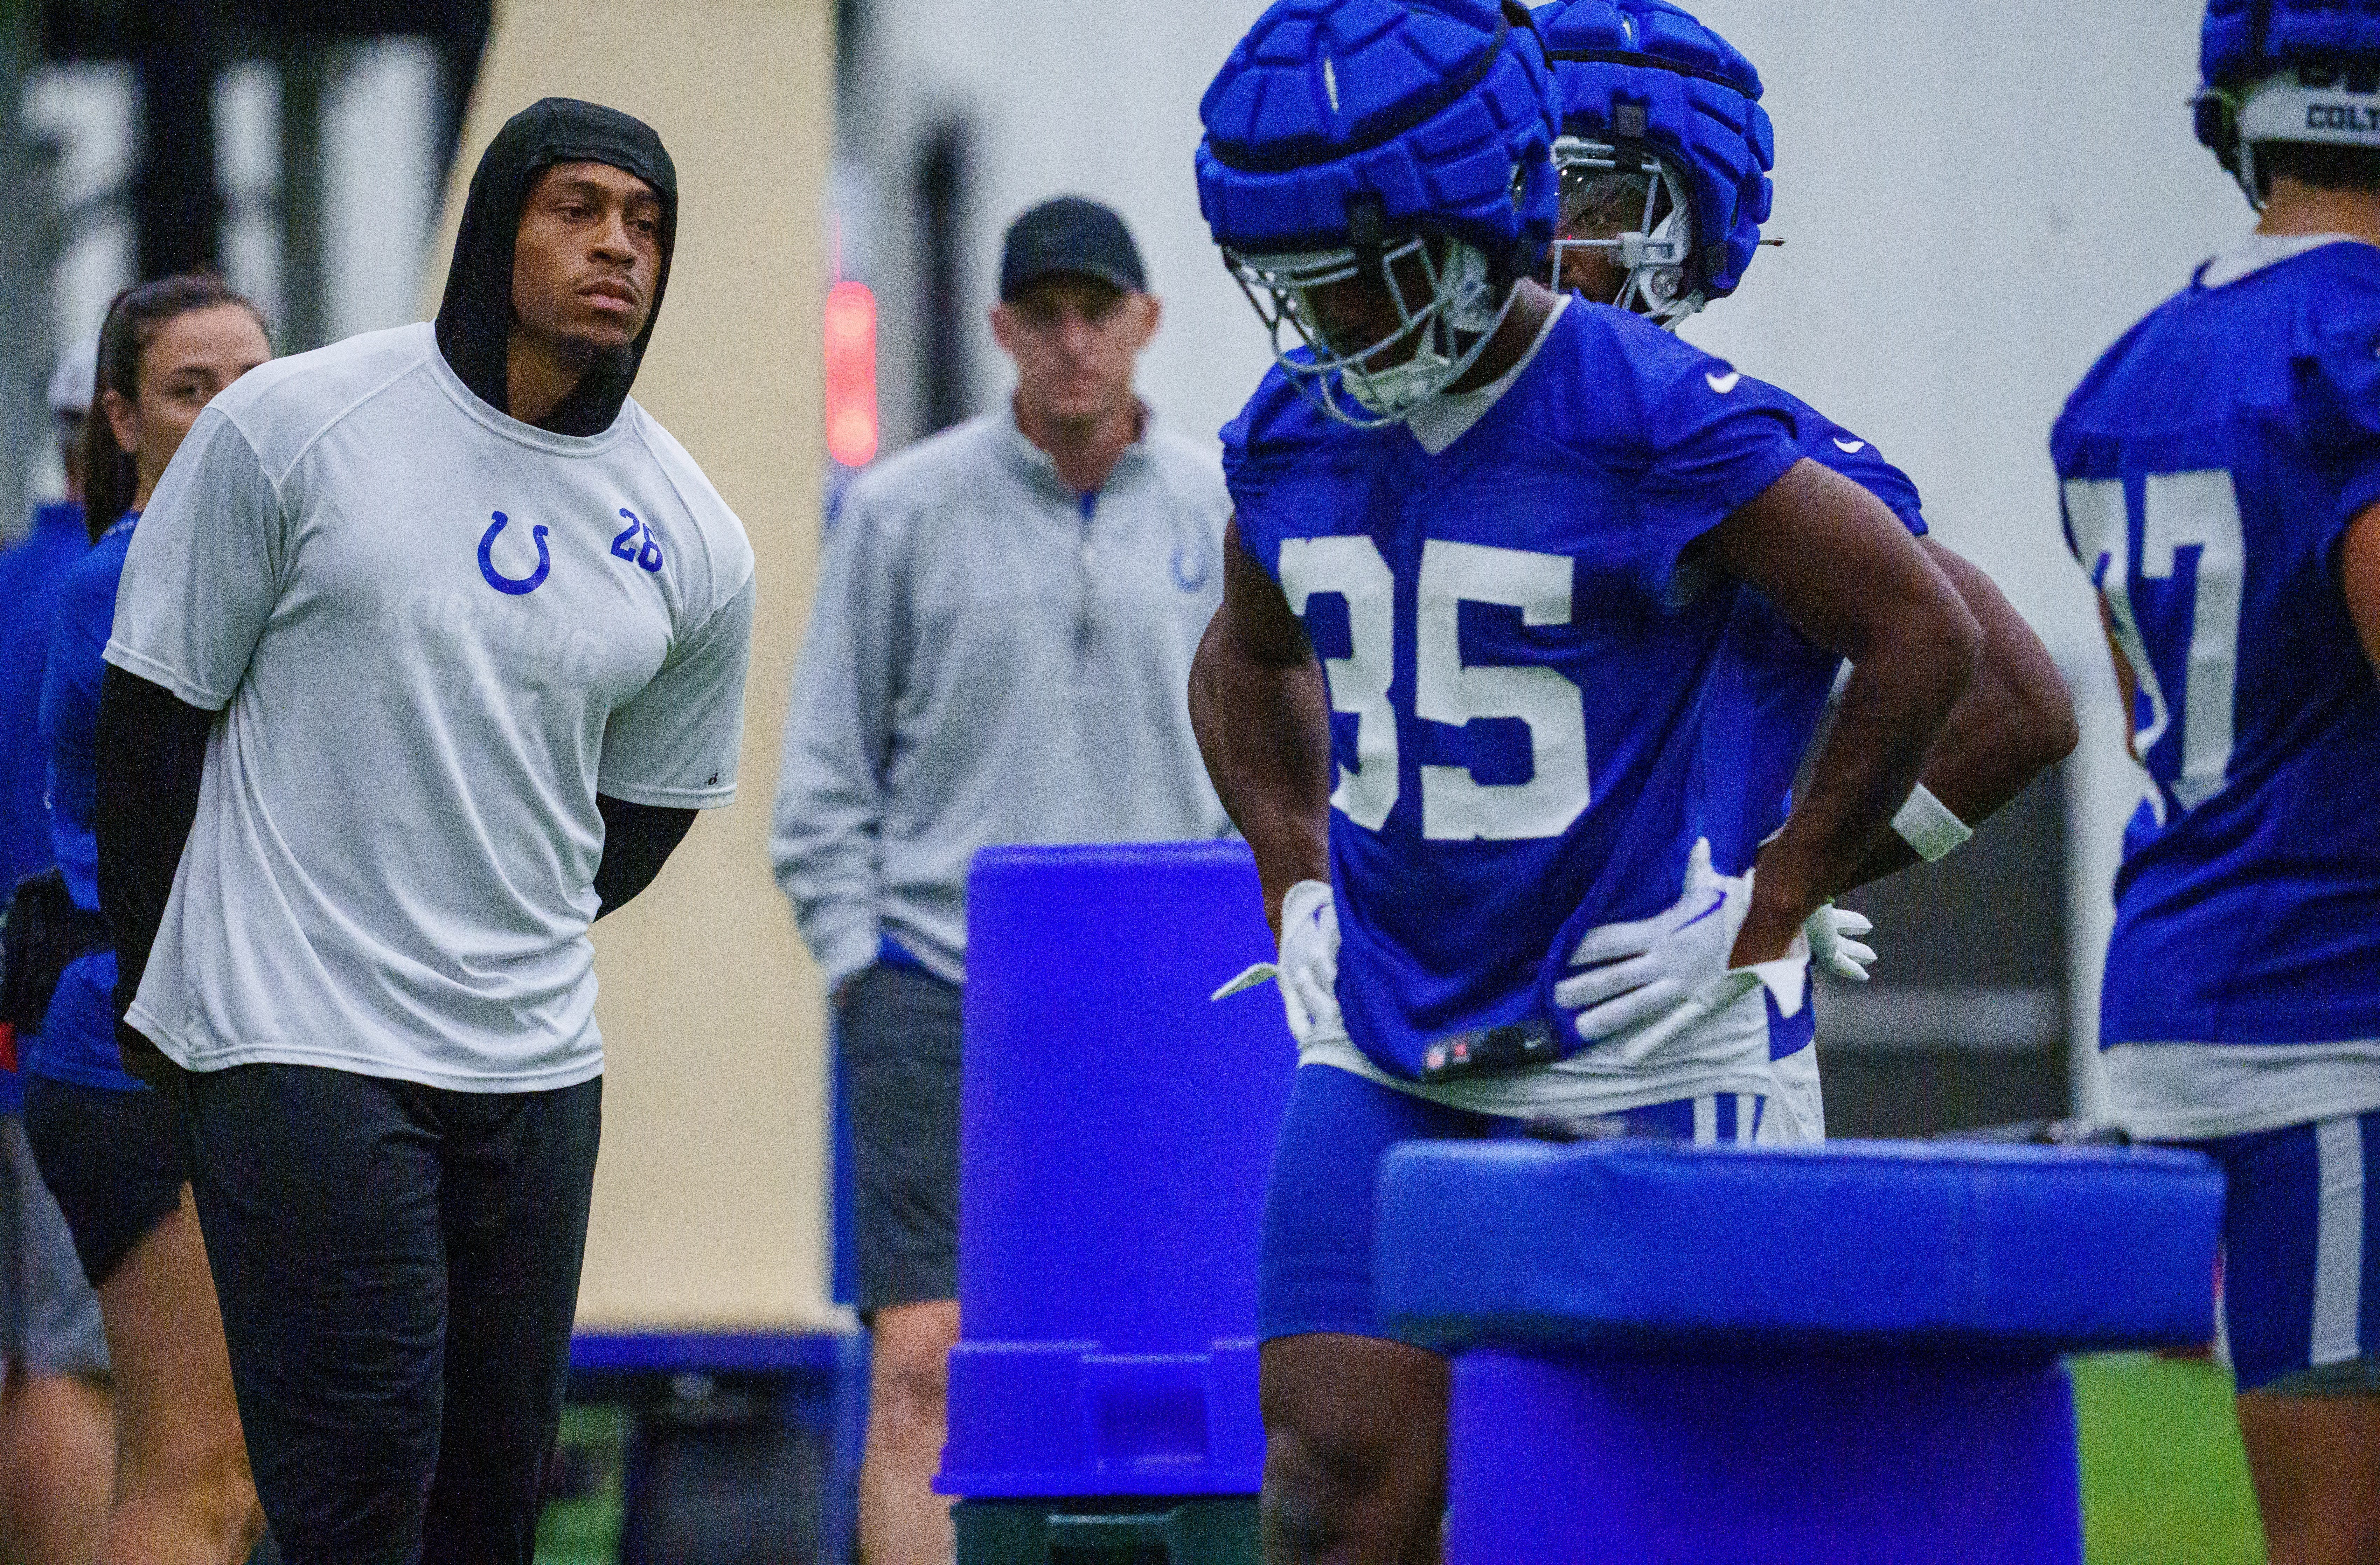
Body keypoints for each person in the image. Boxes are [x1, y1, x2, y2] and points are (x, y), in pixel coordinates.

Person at [1187, 1, 1983, 1557]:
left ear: (1486, 213)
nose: (1339, 321)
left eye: (1372, 273)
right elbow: (1245, 651)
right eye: (1305, 285)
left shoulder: (1643, 411)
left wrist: (1780, 889)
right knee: (1325, 1499)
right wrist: (1292, 876)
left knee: (1660, 1511)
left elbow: (1927, 635)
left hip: (1646, 1036)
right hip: (1394, 1035)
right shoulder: (1290, 435)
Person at [95, 99, 754, 1565]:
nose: (616, 248)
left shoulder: (692, 528)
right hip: (295, 1035)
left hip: (532, 1056)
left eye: (646, 224)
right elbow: (150, 722)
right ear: (494, 223)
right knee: (358, 1478)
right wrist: (166, 983)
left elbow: (642, 815)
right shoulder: (295, 427)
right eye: (576, 208)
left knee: (490, 1496)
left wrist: (483, 899)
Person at [772, 195, 1232, 1565]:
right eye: (1044, 315)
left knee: (1184, 1361)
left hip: (1178, 999)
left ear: (1146, 323)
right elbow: (822, 770)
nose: (1072, 343)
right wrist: (865, 964)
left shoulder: (1228, 506)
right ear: (999, 330)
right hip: (942, 992)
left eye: (1099, 313)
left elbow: (1296, 755)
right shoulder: (903, 509)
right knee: (926, 1358)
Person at [1532, 0, 2075, 1140]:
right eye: (1516, 186)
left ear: (1684, 228)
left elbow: (2020, 703)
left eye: (1586, 197)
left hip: (1678, 1057)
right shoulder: (1407, 440)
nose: (1542, 232)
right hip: (1450, 1031)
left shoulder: (1733, 445)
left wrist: (1785, 885)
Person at [2052, 5, 2380, 1559]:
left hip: (2188, 975)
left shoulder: (2128, 372)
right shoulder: (2357, 345)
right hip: (2333, 1020)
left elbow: (2147, 713)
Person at [24, 277, 276, 1565]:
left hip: (234, 1048)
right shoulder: (125, 580)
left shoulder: (258, 567)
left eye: (255, 382)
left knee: (234, 1477)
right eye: (193, 389)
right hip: (130, 1050)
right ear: (122, 420)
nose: (233, 414)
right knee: (200, 1476)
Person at [0, 340, 113, 1565]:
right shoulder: (117, 594)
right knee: (81, 1369)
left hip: (17, 1028)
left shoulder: (9, 593)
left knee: (23, 1356)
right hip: (69, 1037)